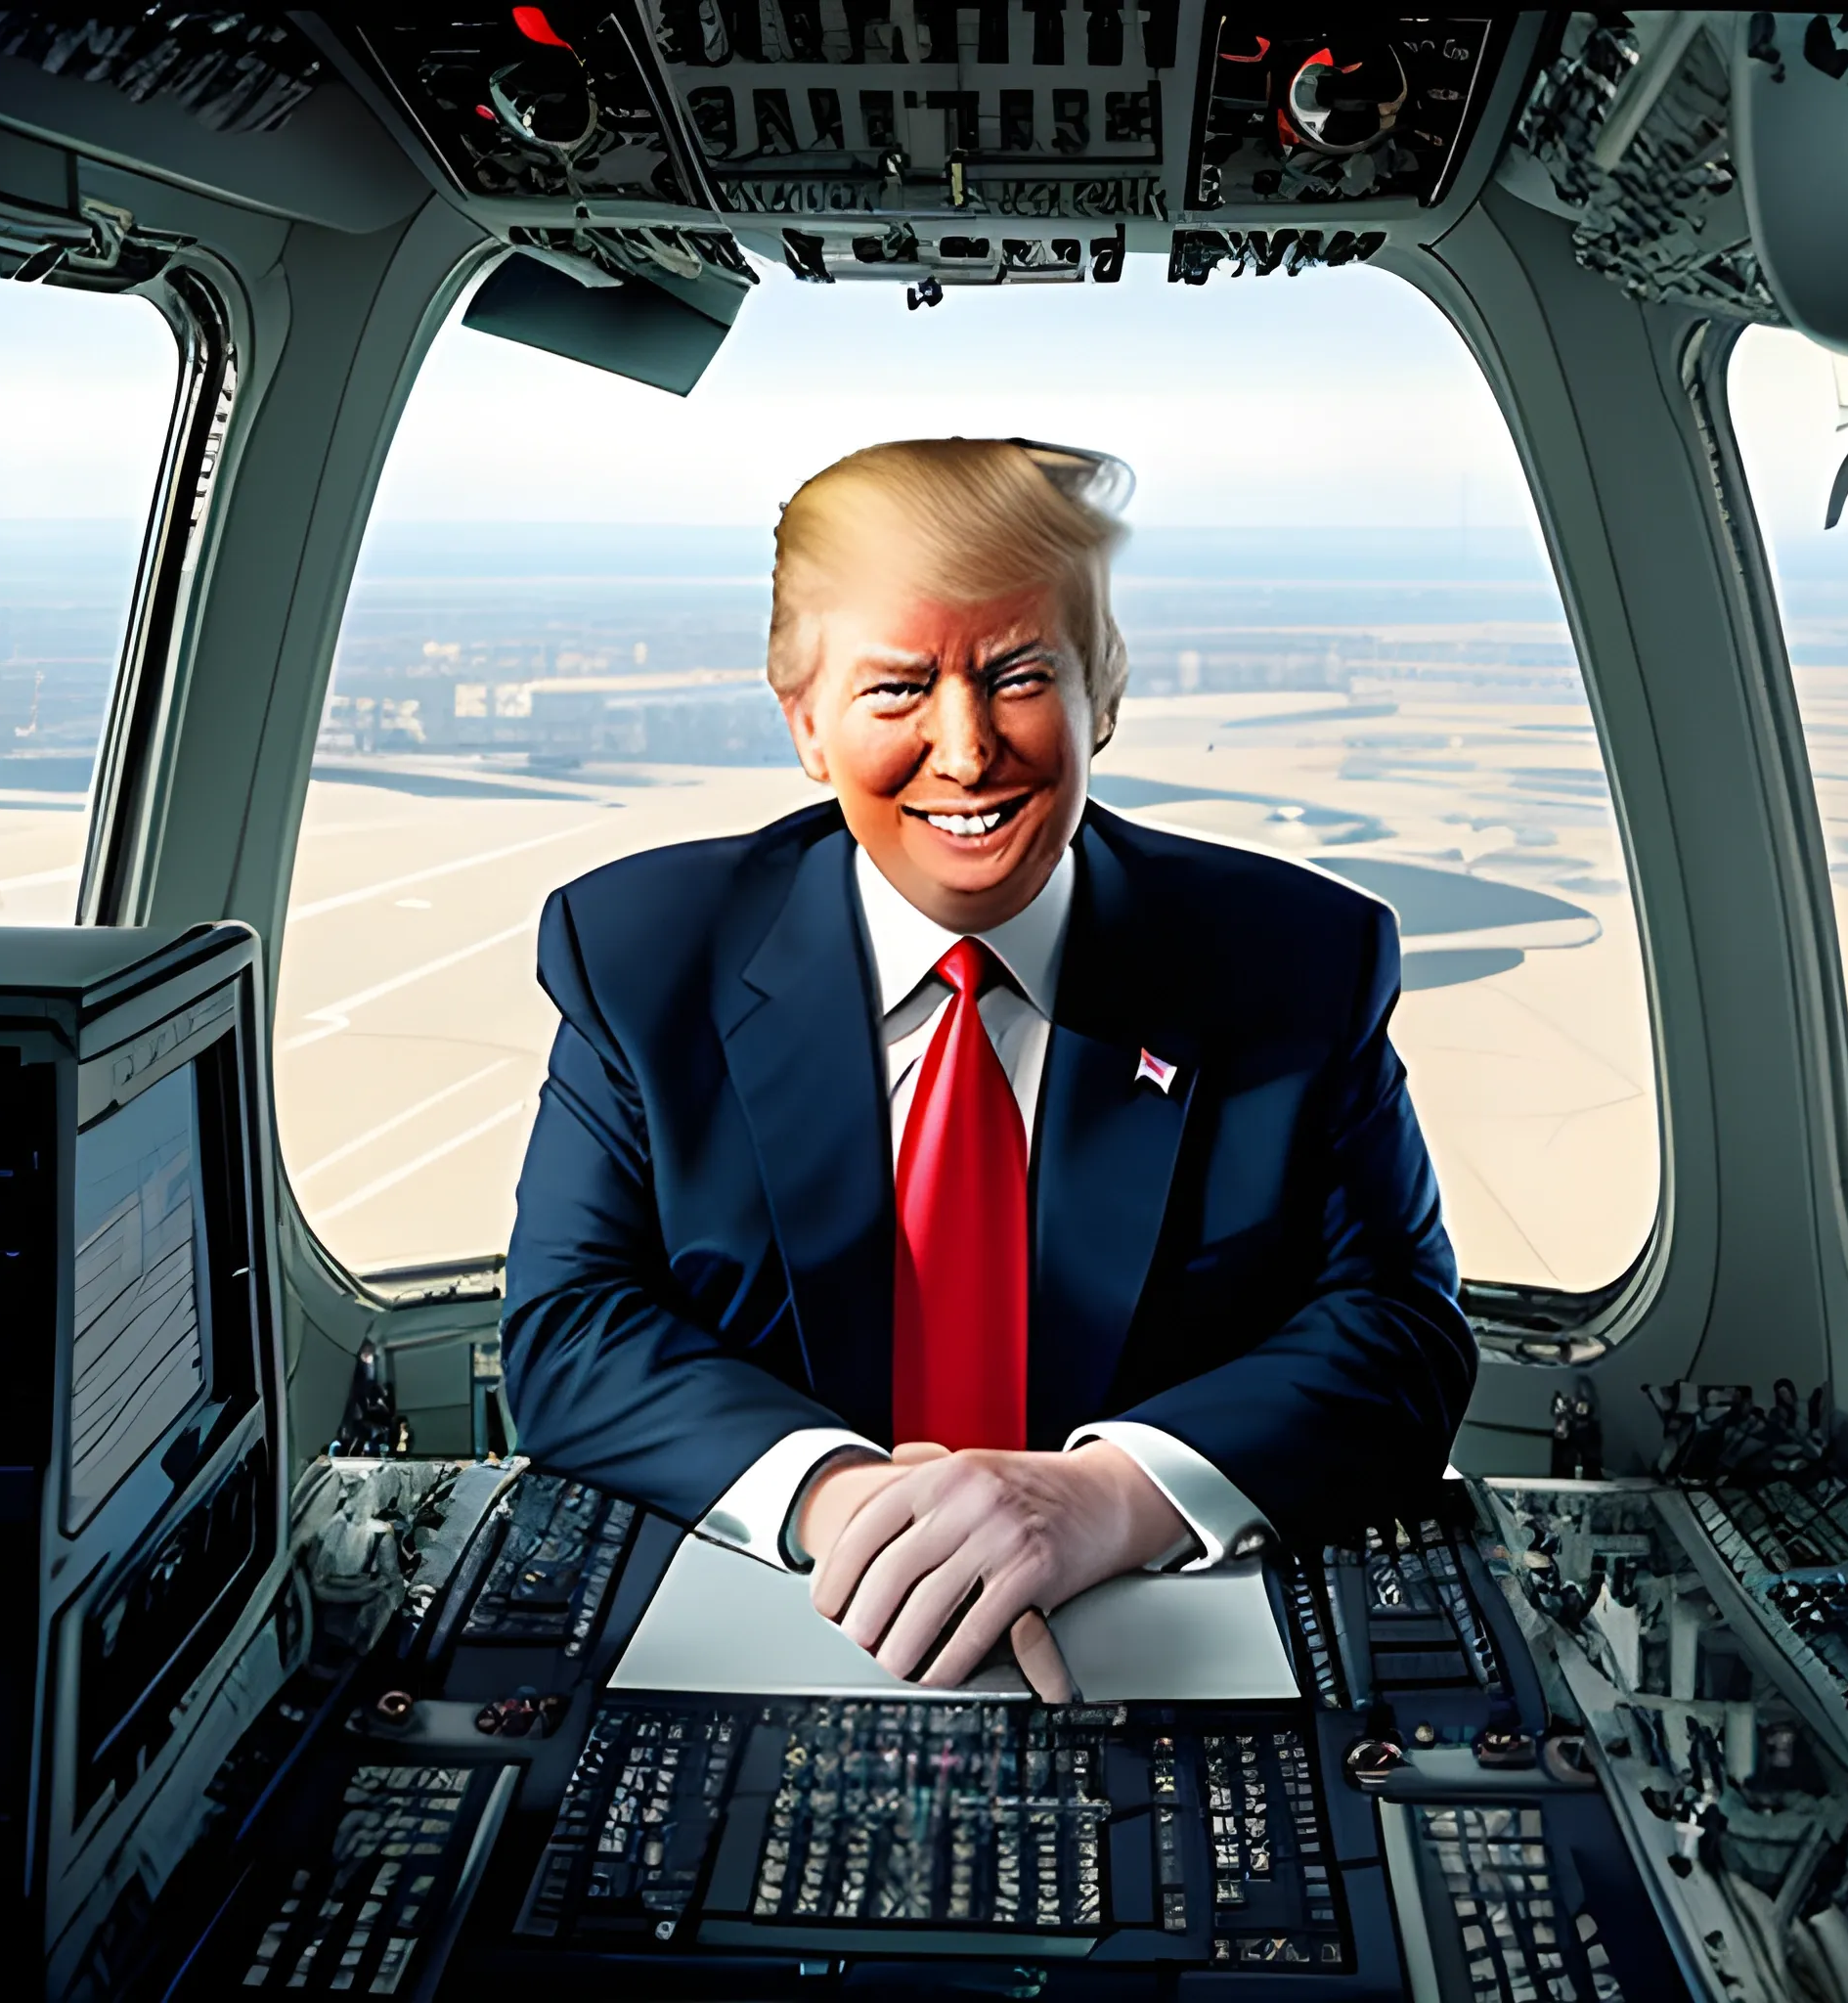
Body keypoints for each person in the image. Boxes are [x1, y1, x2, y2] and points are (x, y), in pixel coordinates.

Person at [502, 437, 1475, 1690]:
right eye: (896, 689)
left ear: (1101, 694)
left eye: (1017, 676)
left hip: (1153, 1642)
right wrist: (841, 1498)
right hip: (798, 1623)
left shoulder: (1296, 963)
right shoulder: (639, 956)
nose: (964, 753)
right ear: (803, 719)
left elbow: (1399, 1334)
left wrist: (1104, 1496)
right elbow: (573, 1325)